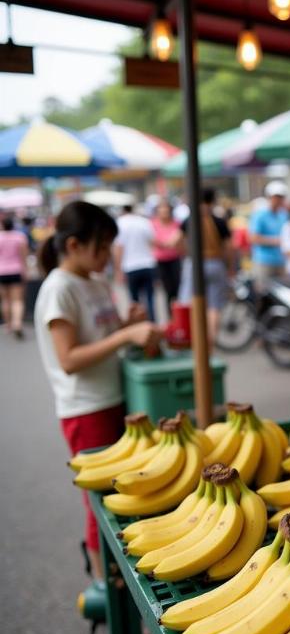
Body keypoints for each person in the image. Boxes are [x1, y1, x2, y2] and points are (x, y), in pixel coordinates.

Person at [34, 201, 161, 578]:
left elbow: (101, 337)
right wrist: (125, 334)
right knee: (102, 506)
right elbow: (69, 359)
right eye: (102, 247)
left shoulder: (95, 281)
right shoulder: (59, 289)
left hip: (116, 400)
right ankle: (107, 586)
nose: (109, 255)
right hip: (86, 411)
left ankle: (120, 576)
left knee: (124, 495)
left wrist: (126, 323)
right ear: (73, 245)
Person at [178, 188, 235, 345]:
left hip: (194, 265)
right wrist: (230, 268)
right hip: (216, 264)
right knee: (214, 306)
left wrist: (185, 254)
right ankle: (211, 340)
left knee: (191, 303)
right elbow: (230, 247)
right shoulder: (219, 221)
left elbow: (177, 241)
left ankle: (197, 339)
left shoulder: (189, 220)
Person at [114, 203, 157, 321]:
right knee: (150, 299)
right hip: (148, 264)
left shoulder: (120, 223)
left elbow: (119, 248)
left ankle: (139, 327)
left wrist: (118, 270)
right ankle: (152, 324)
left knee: (135, 303)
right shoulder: (144, 221)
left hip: (130, 267)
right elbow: (152, 242)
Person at [249, 182, 290, 294]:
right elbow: (253, 238)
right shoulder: (260, 215)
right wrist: (277, 241)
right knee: (263, 293)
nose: (278, 200)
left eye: (281, 197)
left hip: (281, 260)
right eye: (276, 197)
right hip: (264, 261)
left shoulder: (284, 215)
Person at [151, 199, 184, 308]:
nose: (164, 211)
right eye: (161, 209)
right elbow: (154, 240)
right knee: (168, 290)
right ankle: (170, 315)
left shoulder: (176, 223)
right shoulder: (153, 224)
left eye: (166, 209)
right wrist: (167, 243)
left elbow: (178, 240)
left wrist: (168, 243)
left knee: (177, 288)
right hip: (161, 261)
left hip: (175, 258)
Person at [0, 215, 28, 339]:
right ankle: (17, 323)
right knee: (17, 300)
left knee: (5, 300)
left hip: (1, 272)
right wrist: (25, 271)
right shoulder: (20, 237)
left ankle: (8, 324)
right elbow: (24, 256)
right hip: (16, 270)